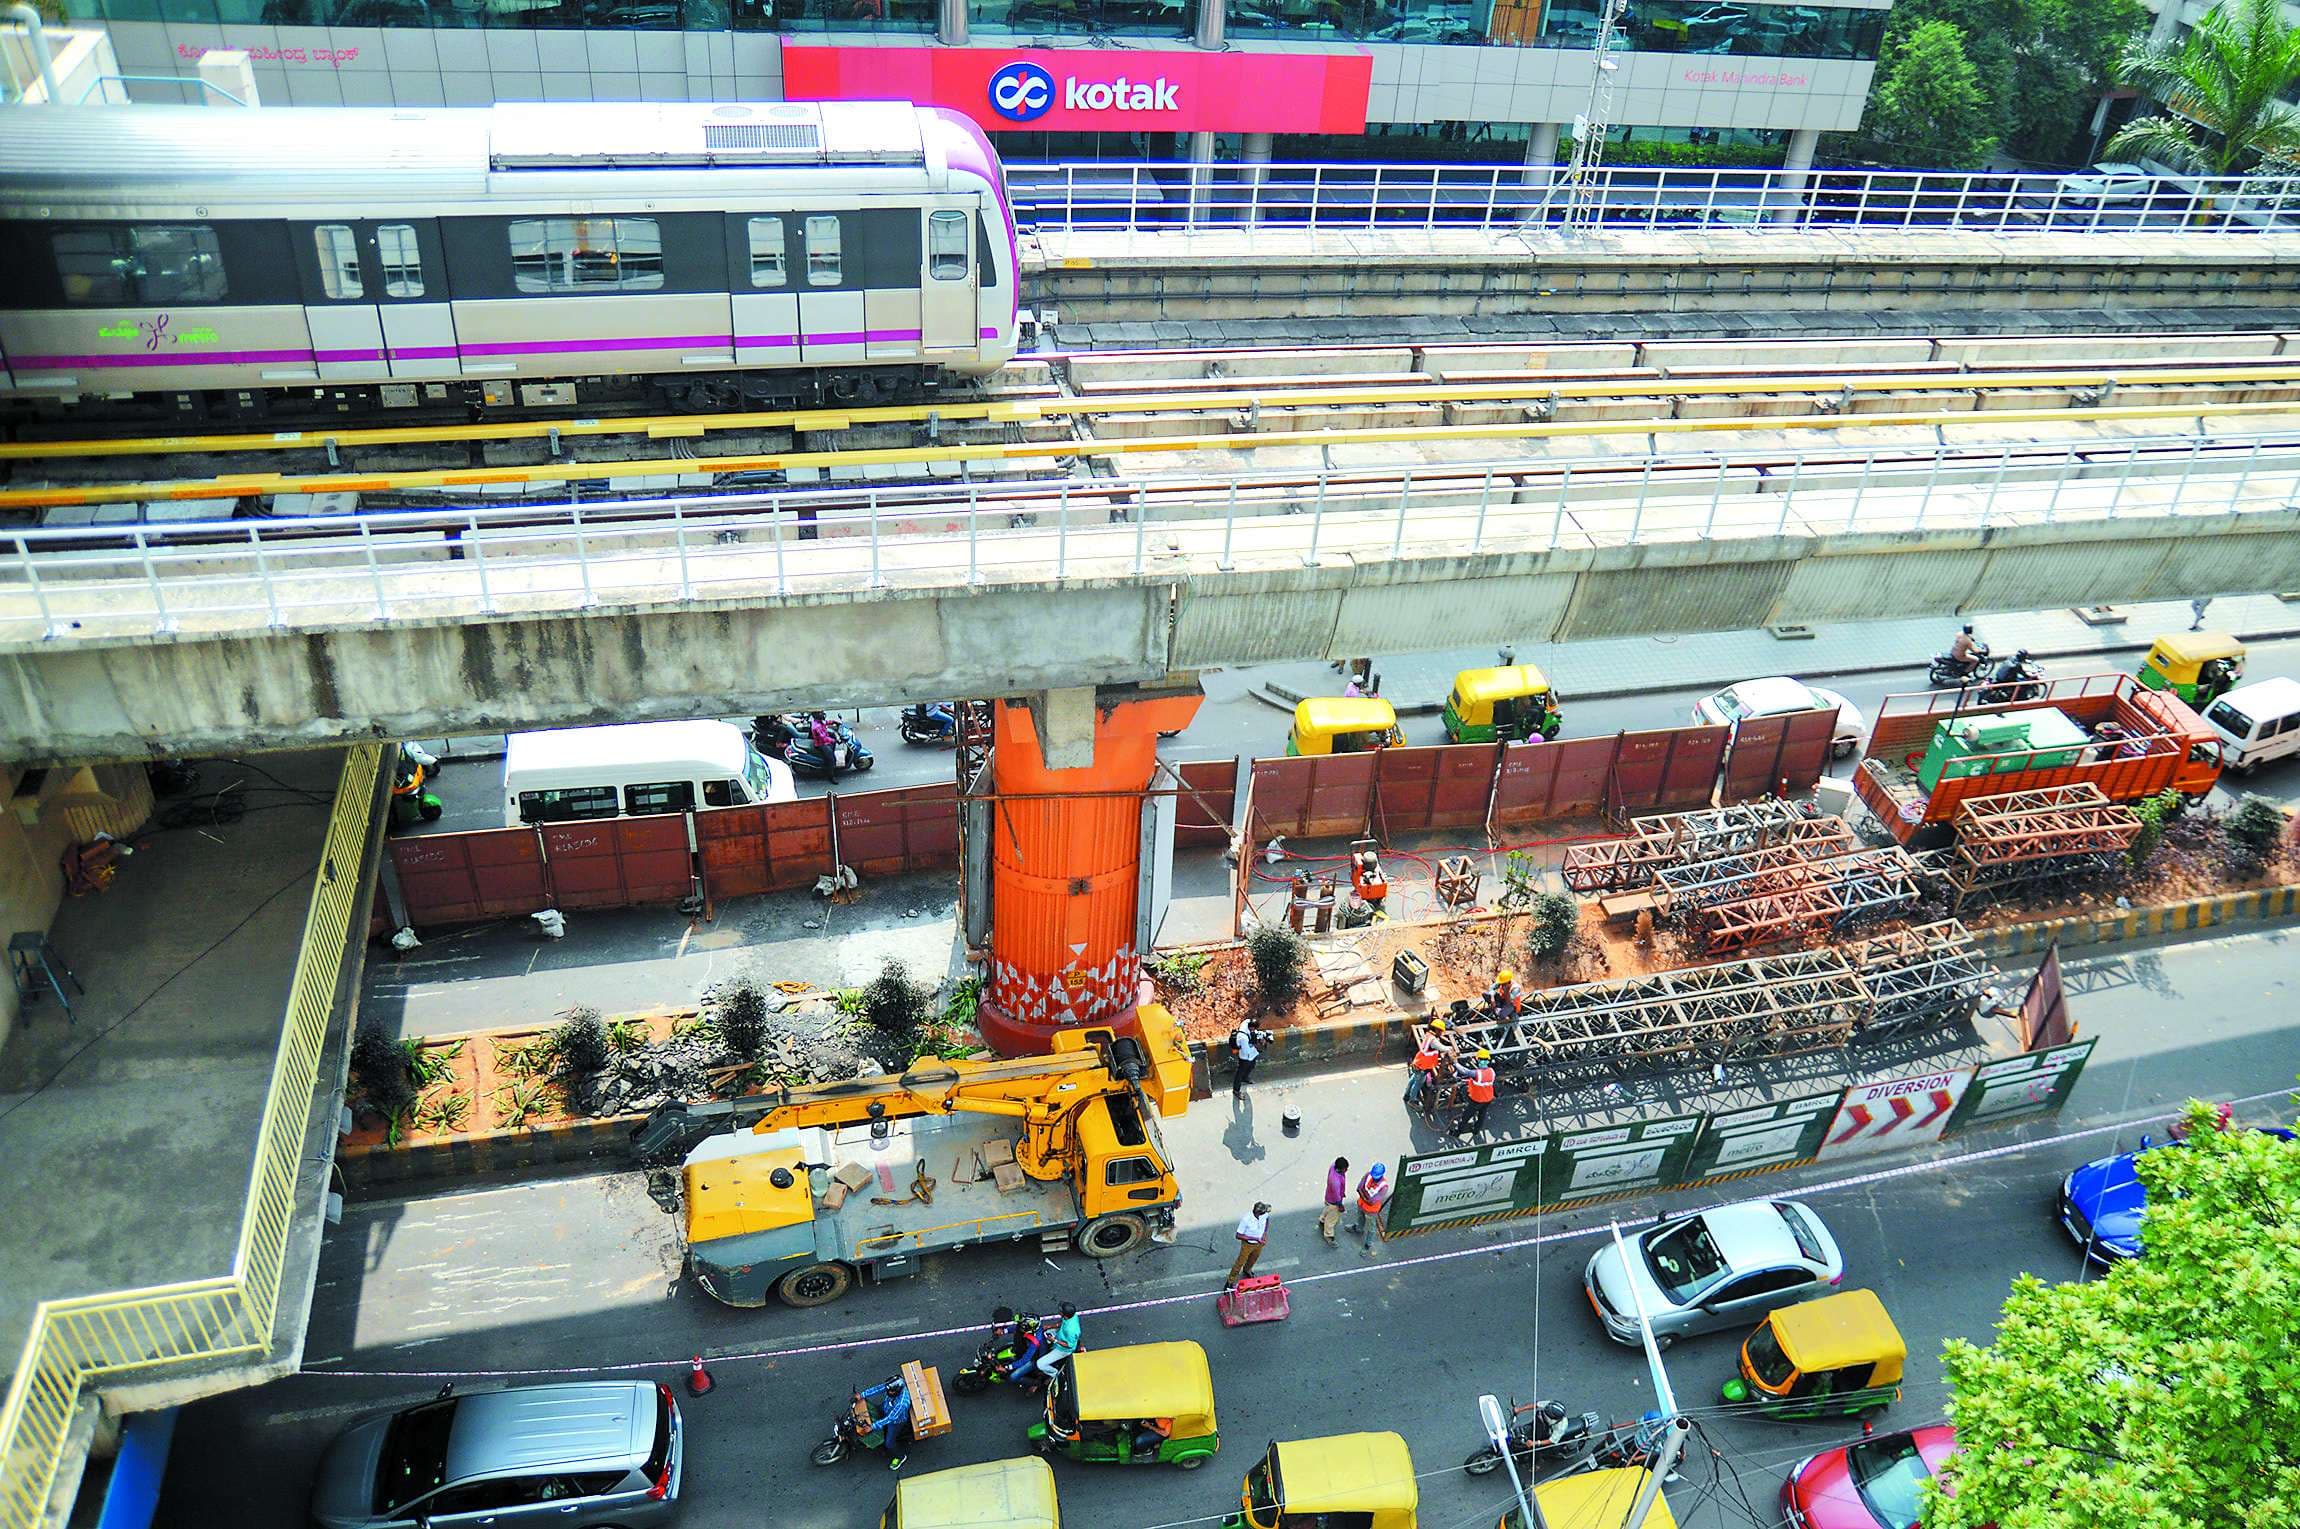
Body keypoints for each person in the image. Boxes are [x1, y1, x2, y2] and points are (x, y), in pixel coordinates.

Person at [858, 1375, 914, 1470]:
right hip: (886, 1407)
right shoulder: (892, 1385)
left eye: (891, 1392)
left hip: (896, 1422)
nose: (888, 1392)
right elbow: (879, 1388)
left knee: (889, 1443)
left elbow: (890, 1418)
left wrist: (873, 1426)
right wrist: (862, 1395)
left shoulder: (902, 1403)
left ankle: (900, 1457)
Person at [1404, 1017, 1455, 1108]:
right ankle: (1412, 1100)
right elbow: (1443, 1048)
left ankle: (1406, 1095)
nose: (1442, 1033)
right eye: (1441, 1031)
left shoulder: (1428, 1035)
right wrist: (1451, 1048)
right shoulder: (1433, 1041)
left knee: (1413, 1079)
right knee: (1418, 1083)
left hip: (1418, 1063)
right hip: (1422, 1067)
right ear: (1437, 1030)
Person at [1453, 1049, 1497, 1137]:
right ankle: (1476, 1130)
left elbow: (1465, 1071)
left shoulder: (1477, 1074)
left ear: (1478, 1059)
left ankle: (1457, 1132)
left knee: (1466, 1116)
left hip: (1476, 1101)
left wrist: (1455, 1063)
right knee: (1482, 1116)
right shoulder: (1492, 1072)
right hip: (1488, 1099)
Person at [1227, 1202, 1272, 1287]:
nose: (1265, 1213)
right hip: (1248, 1244)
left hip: (1259, 1243)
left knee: (1254, 1258)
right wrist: (1256, 1239)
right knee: (1240, 1262)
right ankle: (1230, 1280)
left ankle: (1247, 1270)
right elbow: (1238, 1235)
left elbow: (1267, 1220)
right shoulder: (1246, 1220)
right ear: (1257, 1213)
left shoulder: (1264, 1214)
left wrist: (1264, 1233)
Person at [1033, 1301, 1081, 1380]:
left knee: (1040, 1364)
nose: (1059, 1311)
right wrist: (1050, 1326)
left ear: (1064, 1314)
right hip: (1060, 1334)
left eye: (1060, 1311)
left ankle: (1055, 1374)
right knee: (1045, 1333)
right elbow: (1062, 1322)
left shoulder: (1071, 1330)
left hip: (1063, 1349)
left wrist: (1054, 1340)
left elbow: (1069, 1345)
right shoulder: (1072, 1316)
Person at [1348, 1163, 1391, 1249]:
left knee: (1371, 1227)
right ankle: (1359, 1228)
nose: (1374, 1178)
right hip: (1362, 1204)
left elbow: (1372, 1202)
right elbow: (1359, 1188)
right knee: (1360, 1217)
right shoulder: (1368, 1175)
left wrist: (1362, 1195)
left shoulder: (1383, 1187)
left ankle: (1368, 1243)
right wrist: (1365, 1198)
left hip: (1371, 1210)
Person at [1230, 1021, 1270, 1100]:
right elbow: (1246, 1051)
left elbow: (1248, 1020)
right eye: (1254, 1029)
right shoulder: (1243, 1038)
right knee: (1240, 1073)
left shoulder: (1246, 1023)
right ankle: (1236, 1090)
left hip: (1253, 1055)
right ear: (1251, 1027)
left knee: (1251, 1066)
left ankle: (1245, 1078)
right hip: (1245, 1057)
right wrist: (1257, 1045)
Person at [1319, 1157, 1350, 1246]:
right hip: (1334, 1201)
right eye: (1345, 1169)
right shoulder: (1335, 1181)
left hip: (1329, 1196)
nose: (1347, 1170)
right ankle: (1328, 1235)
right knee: (1332, 1219)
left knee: (1327, 1209)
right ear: (1341, 1169)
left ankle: (1322, 1219)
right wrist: (1340, 1206)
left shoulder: (1333, 1166)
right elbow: (1337, 1198)